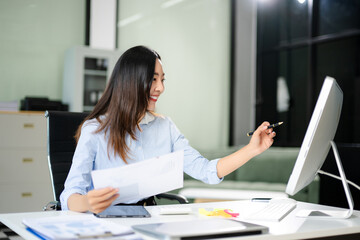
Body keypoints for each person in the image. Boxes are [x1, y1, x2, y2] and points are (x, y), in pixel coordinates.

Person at [60, 45, 276, 213]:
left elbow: (206, 171)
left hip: (150, 217)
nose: (160, 88)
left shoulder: (166, 127)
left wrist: (252, 150)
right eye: (153, 80)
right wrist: (87, 202)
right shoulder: (95, 130)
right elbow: (69, 195)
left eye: (162, 80)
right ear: (131, 81)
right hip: (104, 222)